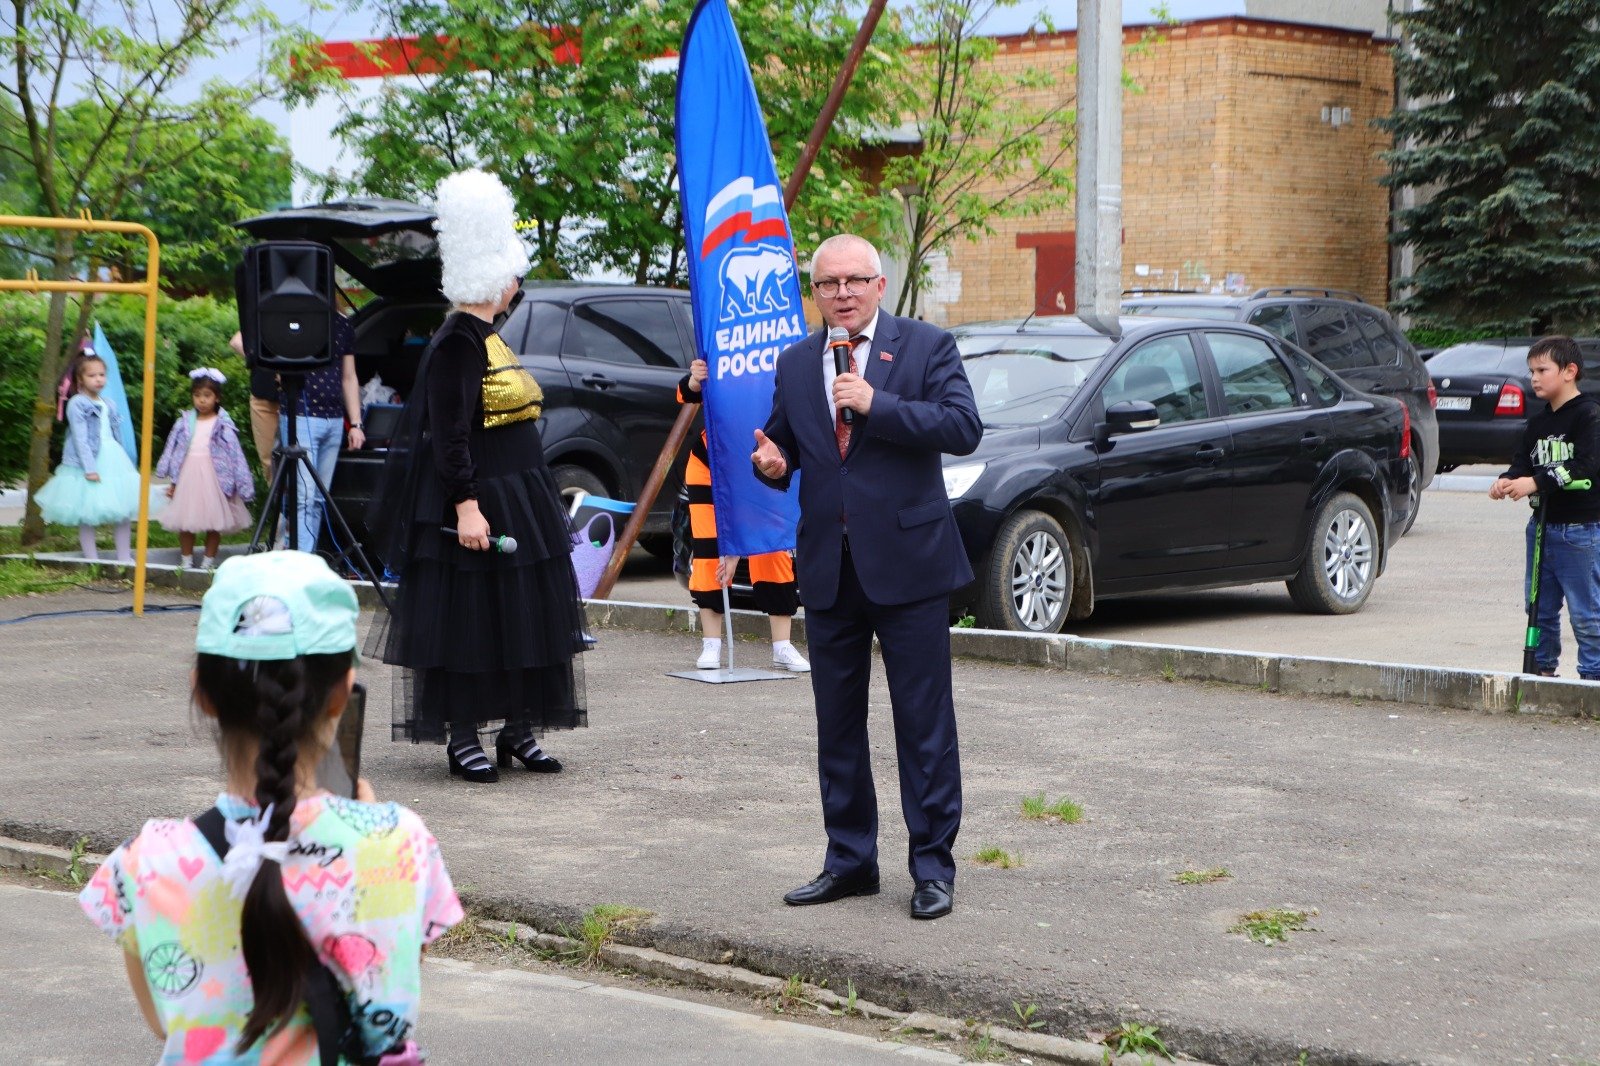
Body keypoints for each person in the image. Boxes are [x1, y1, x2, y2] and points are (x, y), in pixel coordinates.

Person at [77, 551, 462, 1062]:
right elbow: (387, 1004)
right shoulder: (401, 843)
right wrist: (370, 825)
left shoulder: (142, 863)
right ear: (341, 694)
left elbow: (162, 1021)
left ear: (203, 693)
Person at [750, 233, 981, 920]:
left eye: (855, 281)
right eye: (828, 284)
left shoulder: (924, 348)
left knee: (923, 724)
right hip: (830, 566)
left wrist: (878, 404)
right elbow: (786, 442)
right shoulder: (796, 362)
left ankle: (932, 869)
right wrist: (773, 462)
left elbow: (963, 426)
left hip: (909, 566)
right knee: (837, 725)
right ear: (814, 293)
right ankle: (850, 862)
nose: (842, 294)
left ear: (880, 285)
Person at [367, 167, 588, 783]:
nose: (518, 281)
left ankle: (518, 729)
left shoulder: (488, 335)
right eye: (513, 271)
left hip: (521, 493)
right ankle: (463, 735)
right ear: (496, 277)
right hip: (483, 496)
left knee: (525, 613)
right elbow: (451, 432)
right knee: (471, 619)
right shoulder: (457, 341)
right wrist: (466, 505)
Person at [677, 357, 810, 673]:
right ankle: (711, 644)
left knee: (772, 545)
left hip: (763, 458)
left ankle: (782, 646)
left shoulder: (783, 357)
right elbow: (685, 393)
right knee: (710, 551)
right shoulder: (718, 352)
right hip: (711, 462)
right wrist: (696, 379)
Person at [1489, 335, 1600, 679]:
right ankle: (1542, 675)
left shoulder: (1588, 416)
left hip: (1579, 531)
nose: (1534, 378)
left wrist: (1535, 483)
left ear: (1570, 371)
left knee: (1586, 613)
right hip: (1540, 529)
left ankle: (1592, 679)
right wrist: (1507, 480)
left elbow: (1585, 464)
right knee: (1539, 608)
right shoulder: (1538, 424)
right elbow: (1523, 463)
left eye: (1542, 370)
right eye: (1531, 371)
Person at [35, 350, 144, 562]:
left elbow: (115, 433)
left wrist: (125, 459)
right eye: (92, 375)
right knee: (87, 510)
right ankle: (91, 558)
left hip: (113, 457)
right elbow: (79, 438)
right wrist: (90, 468)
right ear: (80, 379)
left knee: (123, 510)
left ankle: (124, 557)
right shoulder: (77, 403)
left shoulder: (109, 403)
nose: (98, 379)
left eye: (102, 375)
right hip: (89, 460)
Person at [277, 311, 365, 553]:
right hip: (303, 415)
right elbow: (245, 342)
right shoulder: (293, 318)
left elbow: (349, 376)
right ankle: (301, 561)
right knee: (304, 496)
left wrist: (356, 423)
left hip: (334, 419)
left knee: (317, 498)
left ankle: (306, 555)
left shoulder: (341, 324)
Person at [156, 367, 255, 571]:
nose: (201, 400)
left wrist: (242, 484)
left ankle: (208, 562)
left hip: (215, 477)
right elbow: (173, 449)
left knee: (214, 521)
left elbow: (235, 454)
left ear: (217, 398)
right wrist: (172, 479)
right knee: (185, 520)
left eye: (207, 396)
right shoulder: (184, 423)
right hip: (189, 475)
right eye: (197, 395)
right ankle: (186, 560)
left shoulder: (223, 425)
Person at [231, 330, 279, 473]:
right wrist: (260, 360)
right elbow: (236, 341)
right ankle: (277, 495)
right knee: (270, 461)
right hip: (263, 394)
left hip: (295, 397)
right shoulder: (260, 313)